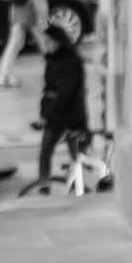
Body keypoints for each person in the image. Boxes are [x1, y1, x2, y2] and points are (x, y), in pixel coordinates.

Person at [34, 23, 86, 182]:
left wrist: (47, 114)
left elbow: (65, 93)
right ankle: (43, 186)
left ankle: (79, 185)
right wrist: (44, 113)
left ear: (58, 42)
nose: (45, 45)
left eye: (48, 42)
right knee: (45, 153)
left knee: (75, 154)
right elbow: (49, 89)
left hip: (69, 114)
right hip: (54, 114)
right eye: (44, 42)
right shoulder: (51, 59)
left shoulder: (70, 61)